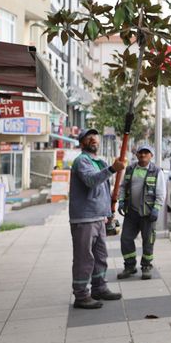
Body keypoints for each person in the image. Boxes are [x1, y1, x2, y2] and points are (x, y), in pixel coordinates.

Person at [69, 128, 126, 309]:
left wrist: (109, 214)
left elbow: (104, 191)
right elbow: (91, 181)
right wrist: (111, 169)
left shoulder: (98, 161)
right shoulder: (81, 161)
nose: (93, 139)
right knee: (84, 258)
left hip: (99, 217)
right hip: (84, 218)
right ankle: (81, 295)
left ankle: (99, 287)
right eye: (89, 137)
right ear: (82, 142)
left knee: (101, 256)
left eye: (95, 136)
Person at [117, 144, 164, 281]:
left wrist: (156, 208)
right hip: (131, 212)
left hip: (148, 213)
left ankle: (146, 266)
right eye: (140, 153)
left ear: (151, 156)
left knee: (148, 241)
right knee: (126, 239)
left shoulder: (156, 171)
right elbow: (123, 186)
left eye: (146, 153)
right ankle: (130, 266)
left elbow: (161, 192)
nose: (143, 155)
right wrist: (121, 201)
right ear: (136, 155)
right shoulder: (130, 169)